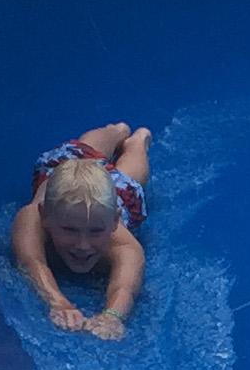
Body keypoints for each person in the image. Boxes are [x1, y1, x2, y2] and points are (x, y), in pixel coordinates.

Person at [11, 123, 151, 339]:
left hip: (115, 190)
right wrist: (57, 301)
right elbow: (31, 262)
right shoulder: (31, 218)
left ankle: (137, 142)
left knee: (130, 178)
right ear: (45, 216)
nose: (83, 245)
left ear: (114, 221)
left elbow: (124, 287)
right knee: (82, 150)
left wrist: (112, 316)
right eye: (69, 229)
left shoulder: (123, 244)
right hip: (60, 170)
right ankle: (116, 131)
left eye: (95, 232)